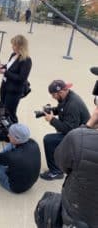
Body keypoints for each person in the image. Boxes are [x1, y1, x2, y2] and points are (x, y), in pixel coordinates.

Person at [54, 82, 98, 227]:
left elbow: (62, 163)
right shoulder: (68, 99)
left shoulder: (78, 138)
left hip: (77, 211)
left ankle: (52, 172)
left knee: (49, 140)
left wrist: (89, 124)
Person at [40, 79, 90, 181]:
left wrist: (52, 120)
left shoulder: (73, 104)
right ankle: (64, 161)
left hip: (82, 136)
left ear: (61, 92)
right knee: (57, 136)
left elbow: (69, 130)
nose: (52, 97)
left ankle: (56, 172)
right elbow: (62, 109)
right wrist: (51, 111)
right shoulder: (66, 97)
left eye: (53, 95)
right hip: (77, 130)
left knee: (49, 140)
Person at [0, 123, 41, 193]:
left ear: (16, 138)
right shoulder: (33, 143)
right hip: (29, 181)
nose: (8, 135)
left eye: (10, 134)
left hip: (15, 187)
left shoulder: (12, 156)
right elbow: (14, 143)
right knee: (11, 144)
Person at [0, 34, 32, 122]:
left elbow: (21, 78)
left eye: (14, 45)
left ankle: (14, 131)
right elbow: (10, 67)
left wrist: (5, 72)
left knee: (10, 112)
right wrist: (3, 67)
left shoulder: (26, 60)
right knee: (2, 108)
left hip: (14, 91)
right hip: (4, 86)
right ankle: (2, 124)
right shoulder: (13, 55)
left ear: (21, 46)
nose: (12, 47)